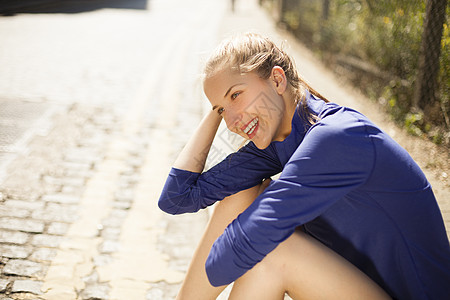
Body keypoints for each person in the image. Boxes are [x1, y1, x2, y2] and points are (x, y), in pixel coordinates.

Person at [158, 33, 450, 299]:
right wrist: (215, 111)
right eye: (223, 110)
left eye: (236, 95)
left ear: (277, 80)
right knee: (243, 195)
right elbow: (177, 197)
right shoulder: (276, 144)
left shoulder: (339, 137)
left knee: (272, 253)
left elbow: (241, 246)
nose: (232, 121)